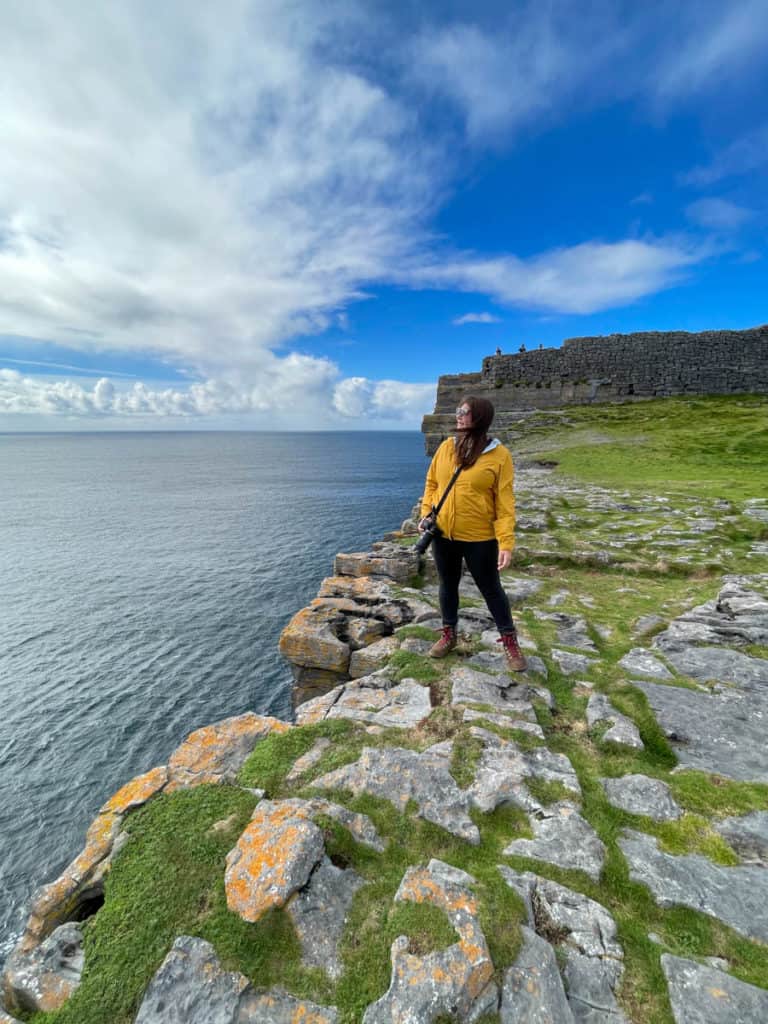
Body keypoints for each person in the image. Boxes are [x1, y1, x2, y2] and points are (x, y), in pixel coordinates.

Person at [418, 396, 526, 672]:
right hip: (443, 533)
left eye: (463, 412)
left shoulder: (500, 456)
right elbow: (432, 484)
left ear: (478, 417)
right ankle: (449, 635)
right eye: (457, 411)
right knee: (447, 584)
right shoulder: (446, 447)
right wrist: (426, 514)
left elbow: (504, 502)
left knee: (491, 590)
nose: (458, 415)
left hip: (480, 537)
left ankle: (510, 644)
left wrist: (506, 541)